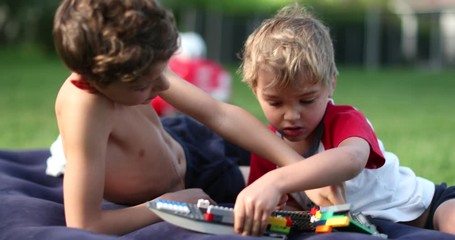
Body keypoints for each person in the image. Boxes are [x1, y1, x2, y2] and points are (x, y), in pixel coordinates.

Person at [51, 0, 309, 236]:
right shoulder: (83, 109)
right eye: (146, 84)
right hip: (196, 180)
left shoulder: (137, 56)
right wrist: (168, 205)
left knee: (303, 156)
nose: (164, 84)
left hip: (188, 139)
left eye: (163, 70)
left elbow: (218, 114)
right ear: (98, 79)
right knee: (287, 191)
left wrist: (298, 166)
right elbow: (84, 224)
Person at [233, 2, 455, 237]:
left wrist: (276, 181)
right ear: (255, 91)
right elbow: (291, 212)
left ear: (331, 85)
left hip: (428, 209)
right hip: (366, 228)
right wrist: (277, 206)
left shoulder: (343, 120)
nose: (292, 115)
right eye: (276, 103)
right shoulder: (267, 147)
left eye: (307, 100)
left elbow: (351, 159)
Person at [151, 31, 232, 116]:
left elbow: (164, 106)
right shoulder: (218, 69)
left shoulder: (178, 67)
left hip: (179, 117)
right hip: (212, 118)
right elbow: (226, 99)